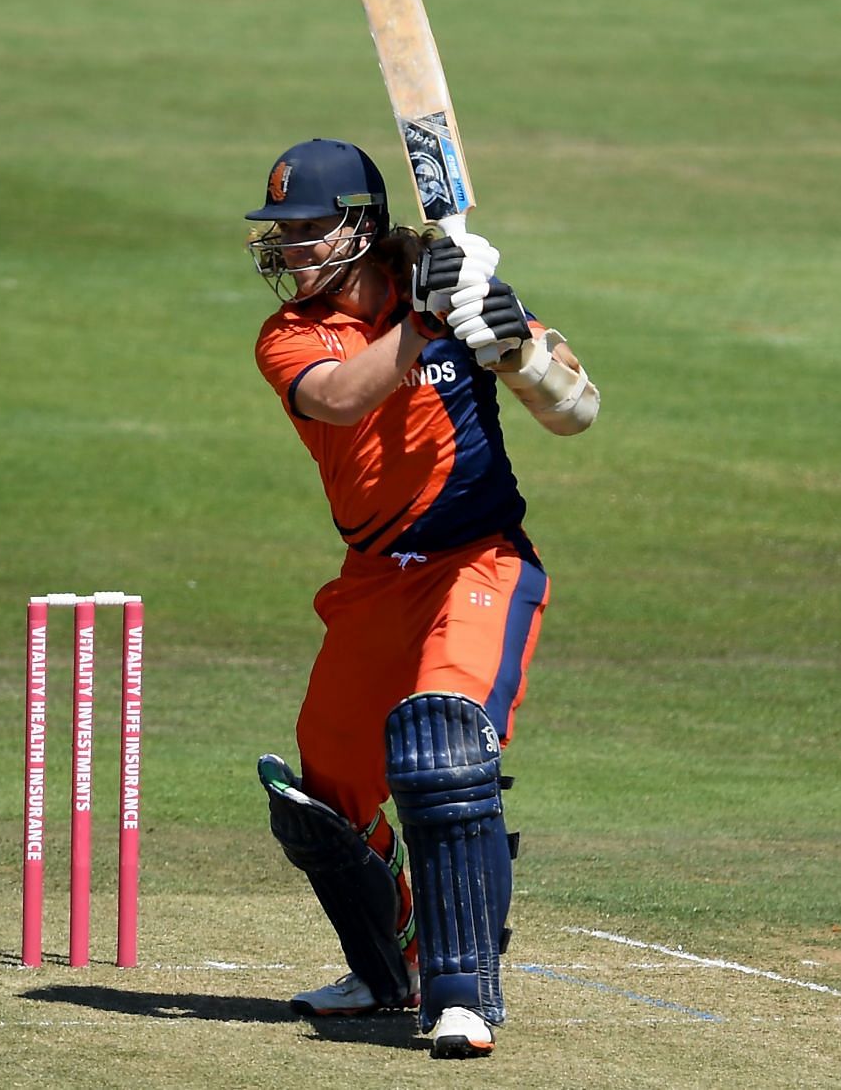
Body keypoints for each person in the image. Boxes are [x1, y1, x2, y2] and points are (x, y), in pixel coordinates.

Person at [244, 138, 599, 1059]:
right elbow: (340, 398)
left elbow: (577, 409)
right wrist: (431, 325)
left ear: (361, 226)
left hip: (477, 560)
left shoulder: (449, 290)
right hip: (373, 578)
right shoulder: (294, 335)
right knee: (322, 786)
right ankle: (386, 968)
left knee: (442, 747)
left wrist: (512, 344)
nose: (289, 249)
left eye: (308, 229)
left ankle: (462, 992)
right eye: (280, 233)